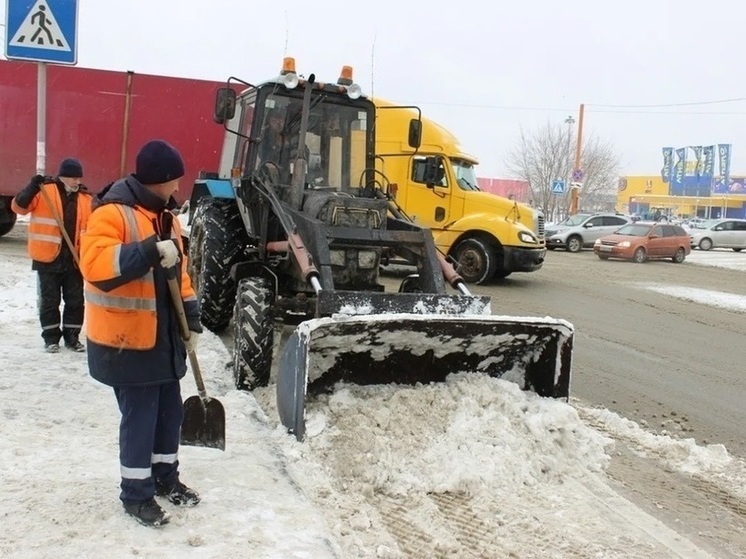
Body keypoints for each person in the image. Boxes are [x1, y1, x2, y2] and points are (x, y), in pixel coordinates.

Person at [79, 139, 203, 527]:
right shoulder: (111, 213)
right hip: (127, 342)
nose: (177, 190)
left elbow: (179, 274)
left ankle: (166, 478)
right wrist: (149, 251)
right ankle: (136, 495)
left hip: (163, 339)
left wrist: (192, 315)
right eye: (174, 182)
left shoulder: (166, 216)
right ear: (159, 180)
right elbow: (97, 266)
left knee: (169, 415)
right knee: (141, 419)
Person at [11, 158, 93, 353]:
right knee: (50, 301)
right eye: (74, 178)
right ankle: (51, 338)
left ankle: (72, 338)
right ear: (63, 177)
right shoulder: (43, 191)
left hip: (74, 260)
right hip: (47, 258)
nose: (77, 182)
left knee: (75, 301)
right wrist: (32, 187)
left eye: (79, 178)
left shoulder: (85, 199)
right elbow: (18, 207)